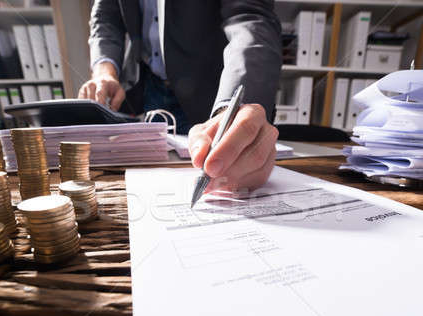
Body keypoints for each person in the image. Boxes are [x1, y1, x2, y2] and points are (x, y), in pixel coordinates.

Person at [79, 0, 282, 194]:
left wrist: (230, 105)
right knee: (159, 177)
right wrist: (104, 72)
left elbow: (249, 16)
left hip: (210, 90)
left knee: (221, 164)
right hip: (149, 88)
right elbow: (106, 16)